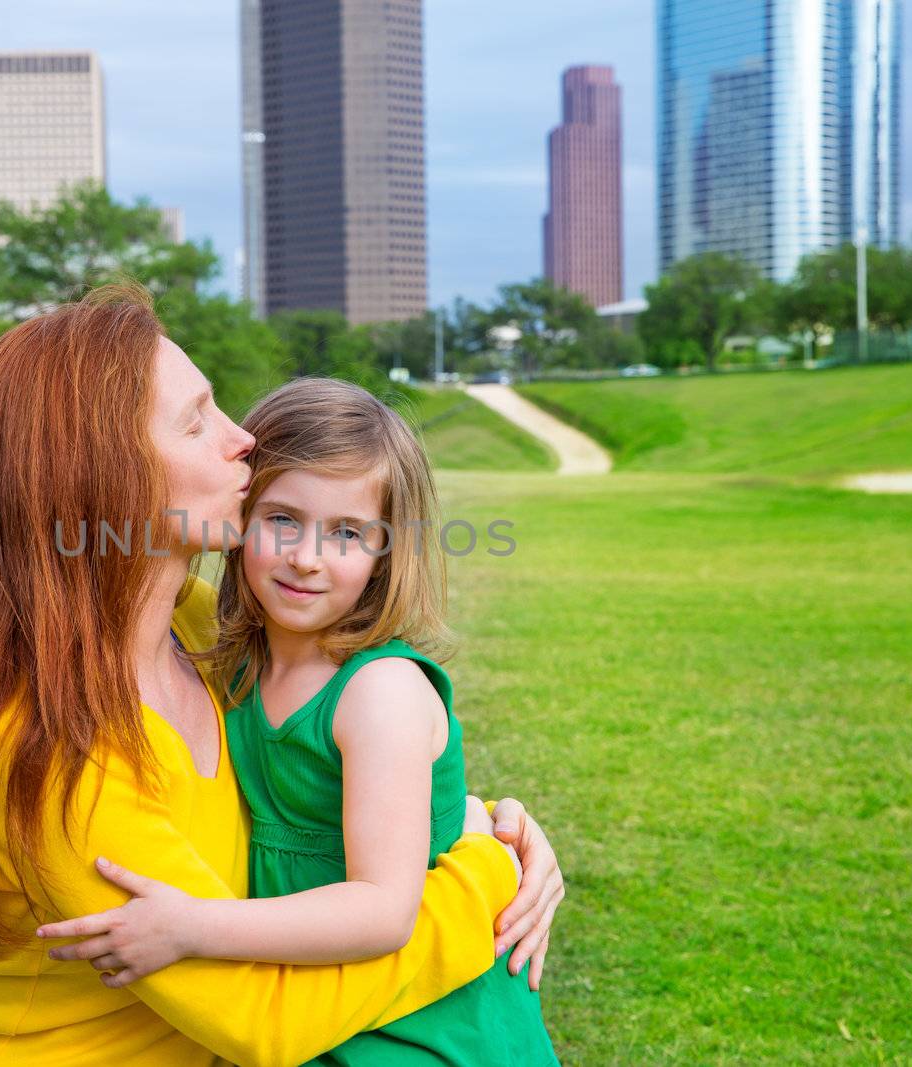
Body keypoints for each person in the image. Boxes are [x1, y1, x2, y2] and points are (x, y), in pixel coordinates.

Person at [0, 285, 565, 1066]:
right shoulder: (54, 748)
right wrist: (484, 880)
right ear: (110, 474)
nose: (244, 439)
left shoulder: (206, 630)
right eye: (197, 420)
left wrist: (488, 816)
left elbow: (338, 781)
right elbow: (265, 1019)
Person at [36, 377, 559, 1064]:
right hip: (319, 1004)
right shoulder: (231, 662)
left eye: (346, 532)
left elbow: (383, 908)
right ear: (240, 515)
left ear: (384, 553)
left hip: (421, 1024)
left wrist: (193, 926)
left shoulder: (379, 692)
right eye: (283, 518)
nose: (306, 557)